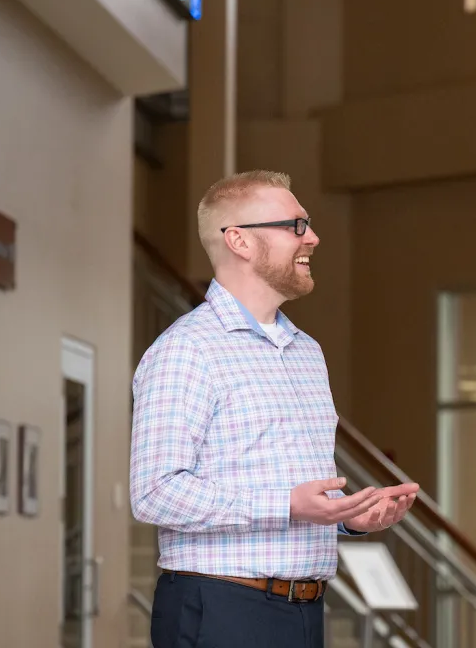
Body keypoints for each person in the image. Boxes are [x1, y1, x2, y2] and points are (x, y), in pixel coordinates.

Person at [131, 170, 420, 648]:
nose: (314, 237)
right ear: (239, 241)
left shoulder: (307, 352)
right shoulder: (186, 350)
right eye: (296, 225)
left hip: (305, 611)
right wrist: (286, 505)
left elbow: (288, 483)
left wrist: (346, 517)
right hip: (220, 610)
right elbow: (155, 492)